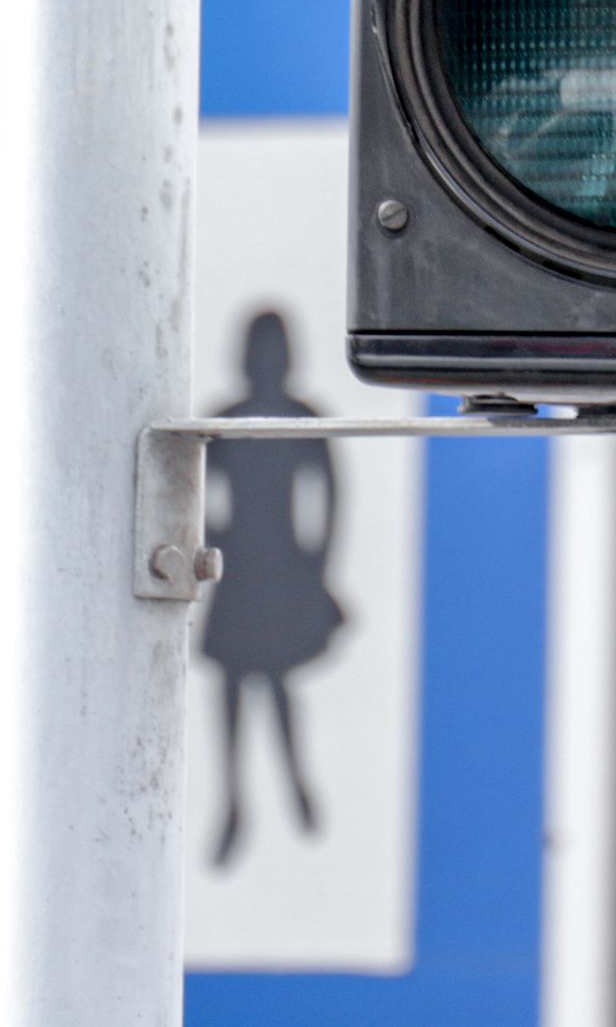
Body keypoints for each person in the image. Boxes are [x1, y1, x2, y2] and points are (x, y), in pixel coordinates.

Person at [200, 308, 344, 868]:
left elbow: (331, 496)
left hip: (282, 565)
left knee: (278, 682)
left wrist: (317, 564)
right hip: (241, 565)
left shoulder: (302, 418)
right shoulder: (226, 419)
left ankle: (295, 786)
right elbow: (192, 491)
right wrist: (217, 539)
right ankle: (233, 801)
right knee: (234, 685)